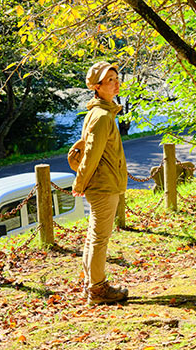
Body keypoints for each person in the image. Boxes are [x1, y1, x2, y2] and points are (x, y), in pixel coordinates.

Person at [73, 61, 128, 305]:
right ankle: (97, 289)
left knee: (94, 236)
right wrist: (79, 183)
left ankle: (92, 285)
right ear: (97, 87)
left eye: (116, 78)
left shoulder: (101, 112)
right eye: (110, 81)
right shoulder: (103, 116)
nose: (116, 84)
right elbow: (92, 154)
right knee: (98, 238)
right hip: (104, 186)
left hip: (104, 184)